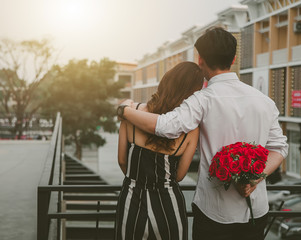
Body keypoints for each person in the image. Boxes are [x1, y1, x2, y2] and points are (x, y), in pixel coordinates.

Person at [117, 27, 289, 240]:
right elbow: (280, 147)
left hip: (212, 212)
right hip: (255, 211)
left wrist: (124, 111)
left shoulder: (202, 100)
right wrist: (255, 177)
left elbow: (164, 126)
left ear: (200, 60)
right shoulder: (264, 101)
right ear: (233, 59)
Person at [114, 62, 204, 240]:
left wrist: (136, 180)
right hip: (168, 202)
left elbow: (122, 160)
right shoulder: (191, 129)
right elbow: (179, 175)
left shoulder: (131, 113)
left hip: (132, 198)